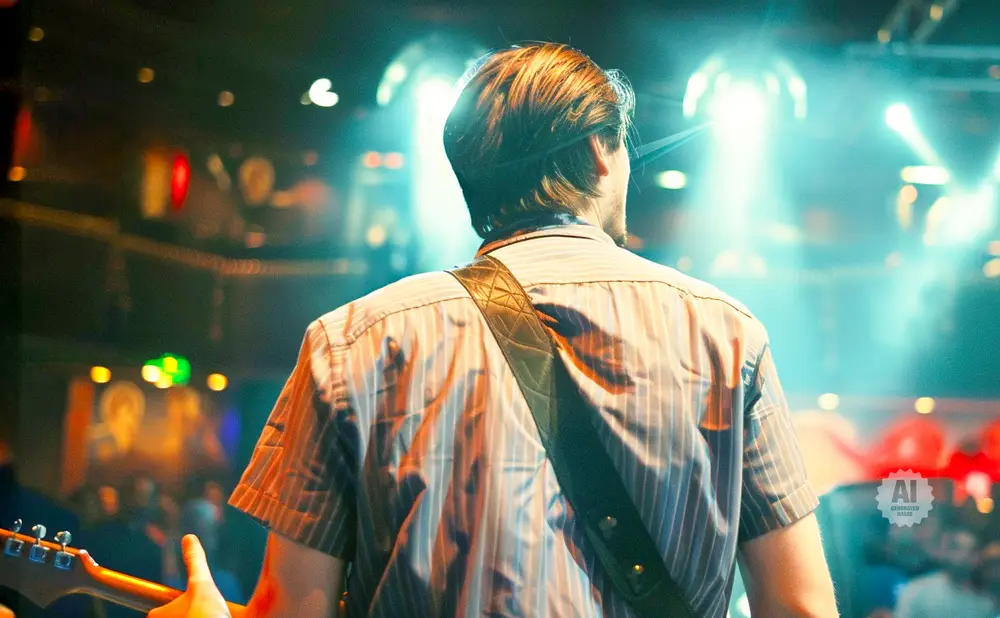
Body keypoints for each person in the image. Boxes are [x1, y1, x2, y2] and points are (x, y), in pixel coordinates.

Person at [149, 42, 837, 618]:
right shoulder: (727, 335)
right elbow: (801, 607)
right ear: (599, 153)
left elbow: (293, 609)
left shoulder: (351, 341)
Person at [894, 525, 995, 618]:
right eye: (957, 549)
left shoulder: (985, 604)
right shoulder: (918, 591)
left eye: (974, 552)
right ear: (948, 552)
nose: (971, 558)